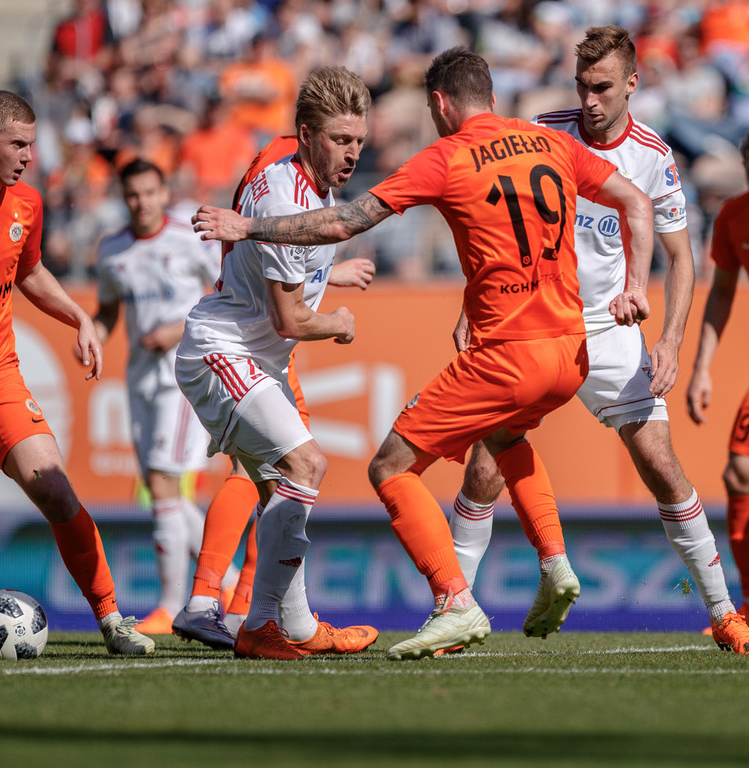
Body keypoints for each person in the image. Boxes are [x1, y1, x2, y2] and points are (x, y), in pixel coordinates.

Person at [191, 46, 655, 659]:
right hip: (573, 350)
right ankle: (556, 560)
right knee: (507, 440)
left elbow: (341, 223)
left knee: (389, 466)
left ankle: (452, 601)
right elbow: (638, 203)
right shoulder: (551, 141)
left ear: (439, 103)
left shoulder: (446, 155)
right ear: (491, 94)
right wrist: (637, 287)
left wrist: (247, 227)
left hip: (507, 354)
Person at [446, 26, 749, 655]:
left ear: (632, 84)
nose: (589, 99)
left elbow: (682, 259)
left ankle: (724, 613)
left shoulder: (652, 156)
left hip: (610, 329)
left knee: (662, 466)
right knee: (485, 461)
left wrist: (669, 341)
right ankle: (455, 609)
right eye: (582, 86)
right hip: (531, 317)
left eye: (603, 87)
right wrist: (472, 304)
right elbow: (496, 226)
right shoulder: (541, 133)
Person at [175, 66, 379, 660]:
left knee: (281, 490)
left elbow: (280, 268)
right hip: (222, 351)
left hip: (252, 357)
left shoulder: (308, 183)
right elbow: (291, 320)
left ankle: (296, 626)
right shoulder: (287, 193)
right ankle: (259, 625)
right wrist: (338, 322)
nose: (353, 153)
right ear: (308, 134)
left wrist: (330, 273)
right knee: (307, 463)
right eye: (341, 140)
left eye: (359, 141)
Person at [0, 89, 153, 655]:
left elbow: (26, 272)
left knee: (54, 488)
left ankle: (110, 618)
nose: (31, 155)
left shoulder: (25, 202)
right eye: (19, 144)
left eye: (33, 143)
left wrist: (78, 315)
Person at [90, 158, 239, 635]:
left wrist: (179, 329)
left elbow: (229, 286)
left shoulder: (189, 232)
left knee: (162, 487)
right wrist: (91, 334)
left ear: (163, 192)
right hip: (140, 382)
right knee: (165, 494)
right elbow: (108, 309)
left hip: (184, 374)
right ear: (124, 197)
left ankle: (174, 604)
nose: (141, 203)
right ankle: (231, 584)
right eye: (133, 195)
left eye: (150, 193)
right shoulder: (112, 249)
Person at [687, 131, 749, 631]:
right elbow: (723, 291)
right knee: (740, 471)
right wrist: (702, 366)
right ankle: (748, 607)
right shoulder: (734, 217)